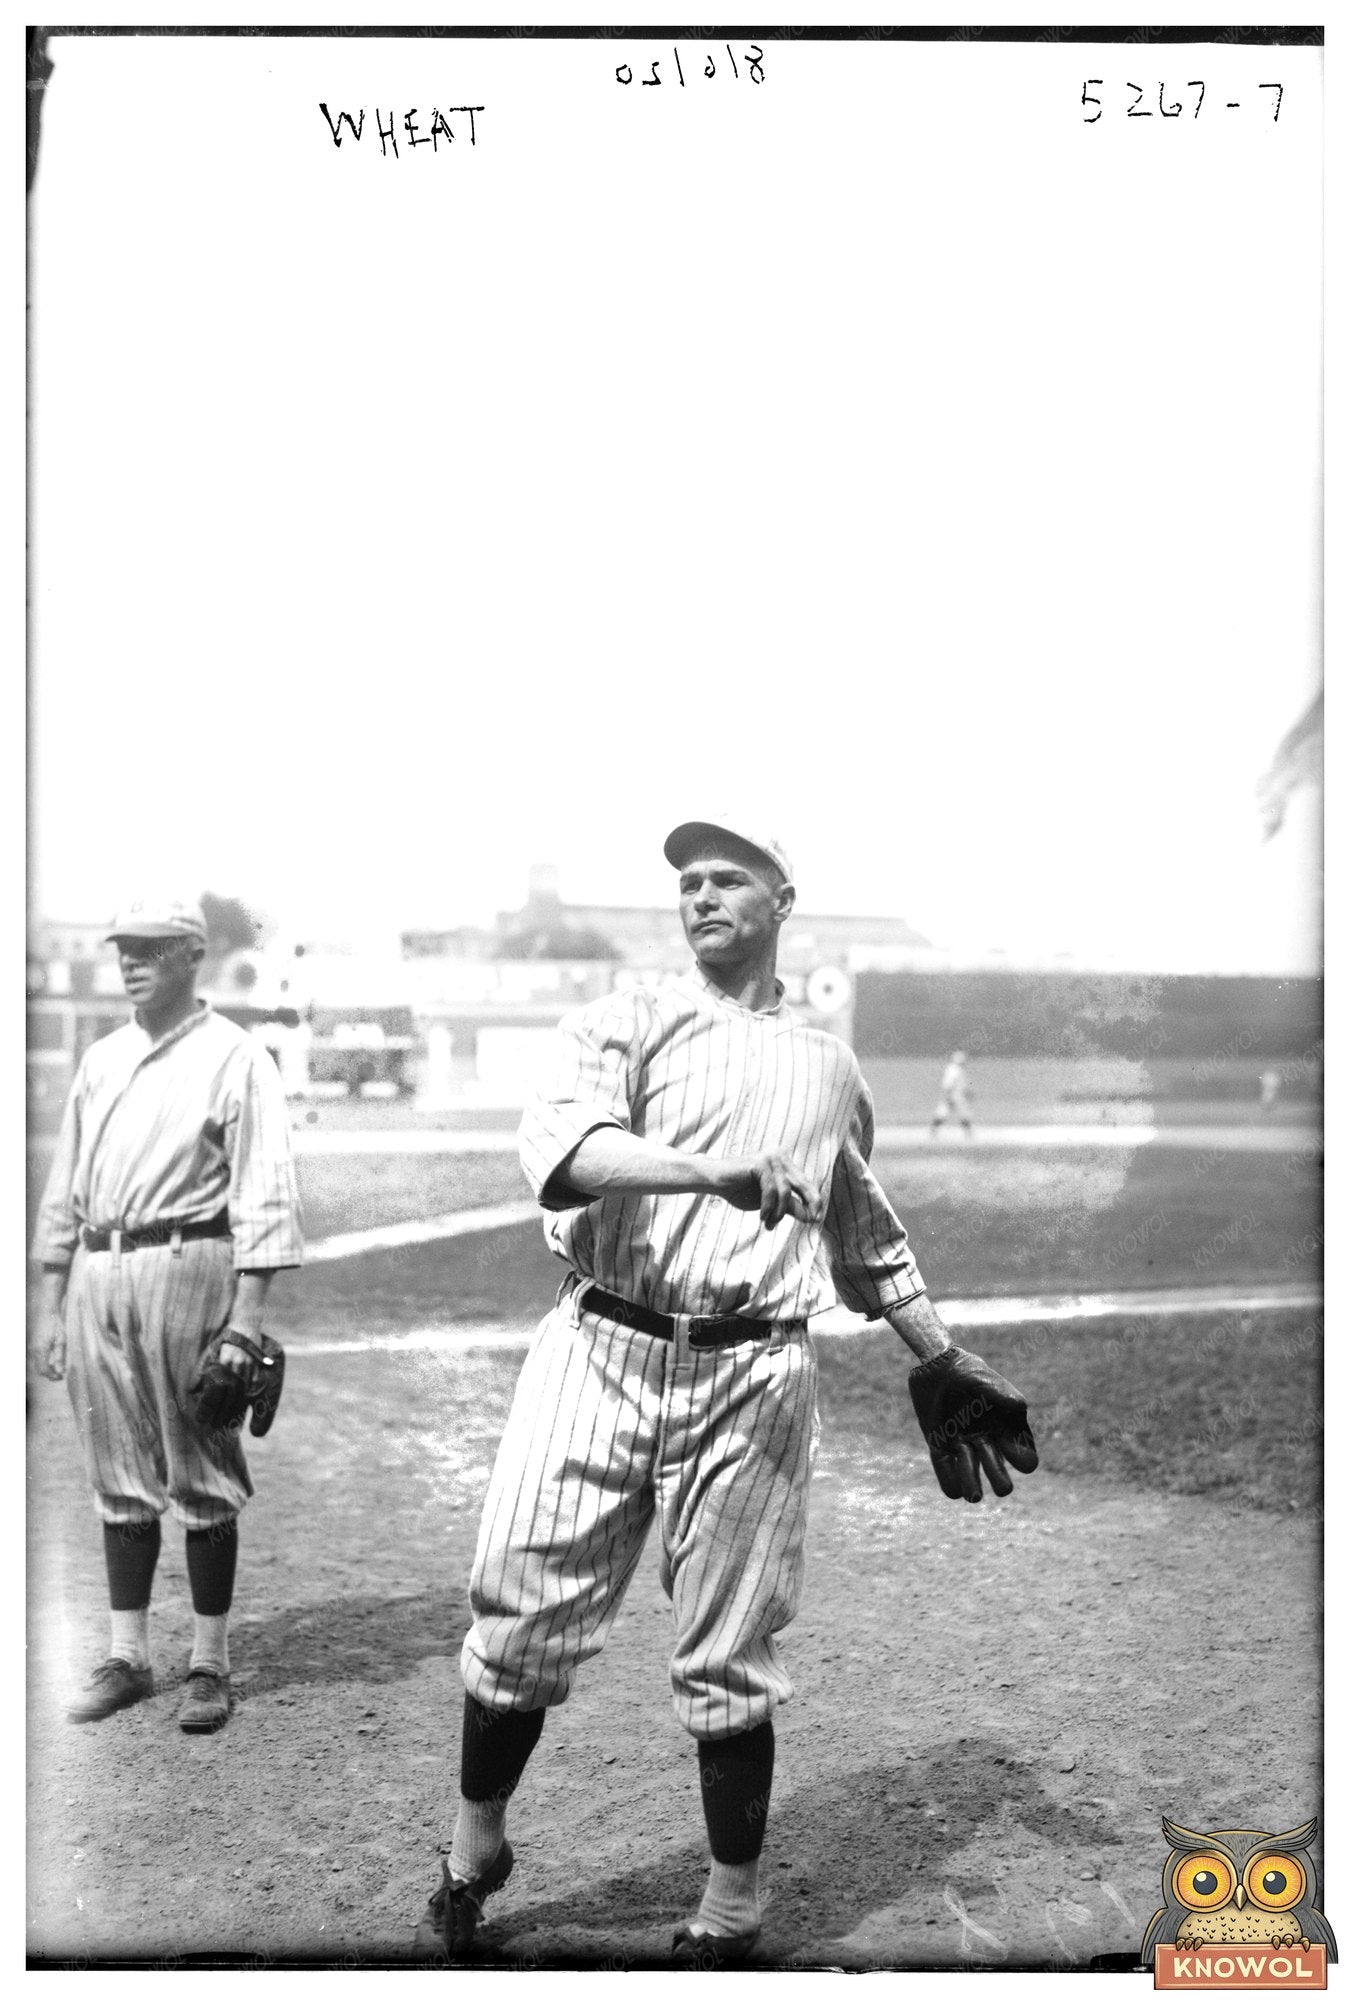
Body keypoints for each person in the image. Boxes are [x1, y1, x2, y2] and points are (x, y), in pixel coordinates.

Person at [412, 820, 1037, 1966]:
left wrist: (937, 1350)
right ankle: (474, 1846)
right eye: (686, 881)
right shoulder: (629, 1014)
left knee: (730, 1643)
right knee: (518, 1611)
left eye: (726, 877)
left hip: (755, 1368)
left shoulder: (827, 1068)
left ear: (782, 898)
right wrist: (712, 1170)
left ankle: (734, 1901)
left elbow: (864, 1233)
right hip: (602, 1341)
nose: (700, 893)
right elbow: (566, 1149)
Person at [30, 896, 303, 1733]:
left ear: (192, 954)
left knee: (201, 1469)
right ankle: (127, 1656)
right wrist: (48, 1301)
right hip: (97, 1273)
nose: (131, 961)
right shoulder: (102, 1058)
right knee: (118, 1472)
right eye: (125, 948)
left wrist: (244, 1325)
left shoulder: (237, 1056)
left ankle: (209, 1664)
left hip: (192, 1262)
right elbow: (64, 1184)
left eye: (150, 948)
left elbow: (264, 1192)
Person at [929, 1048, 974, 1139]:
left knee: (958, 1113)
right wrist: (948, 1097)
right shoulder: (954, 1070)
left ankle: (968, 1133)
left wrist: (967, 1093)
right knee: (945, 1113)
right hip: (954, 1097)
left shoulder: (957, 1069)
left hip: (957, 1096)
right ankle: (933, 1132)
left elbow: (960, 1085)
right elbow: (948, 1085)